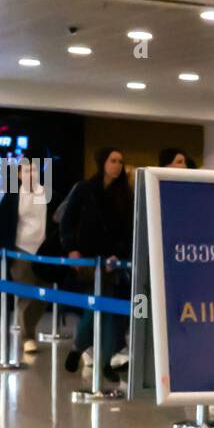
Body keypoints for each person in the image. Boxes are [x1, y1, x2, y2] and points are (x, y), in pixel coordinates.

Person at [61, 147, 133, 385]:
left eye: (120, 161)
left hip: (112, 261)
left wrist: (118, 255)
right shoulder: (85, 189)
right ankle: (82, 348)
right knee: (94, 305)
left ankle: (100, 360)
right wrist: (71, 248)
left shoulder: (125, 194)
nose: (117, 165)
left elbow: (127, 229)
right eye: (113, 161)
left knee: (109, 313)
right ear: (103, 163)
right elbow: (68, 219)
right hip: (87, 258)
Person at [0, 150, 56, 355]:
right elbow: (1, 227)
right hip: (20, 251)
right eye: (25, 170)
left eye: (33, 169)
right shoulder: (11, 196)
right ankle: (28, 336)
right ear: (18, 174)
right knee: (26, 294)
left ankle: (28, 326)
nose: (30, 173)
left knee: (43, 295)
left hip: (44, 252)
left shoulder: (47, 193)